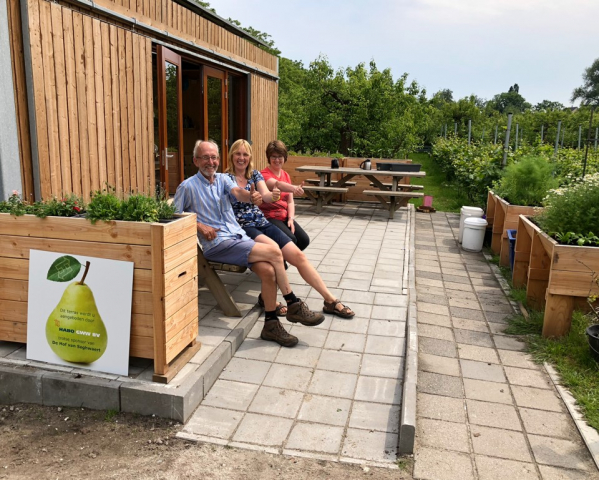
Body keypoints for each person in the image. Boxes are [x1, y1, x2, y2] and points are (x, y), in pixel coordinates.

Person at [174, 140, 325, 348]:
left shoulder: (222, 179)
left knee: (269, 272)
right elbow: (173, 215)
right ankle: (293, 303)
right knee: (274, 251)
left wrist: (252, 196)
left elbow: (238, 193)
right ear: (196, 160)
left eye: (214, 157)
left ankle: (271, 325)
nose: (211, 162)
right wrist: (199, 225)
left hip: (238, 237)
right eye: (206, 157)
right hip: (217, 243)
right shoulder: (187, 186)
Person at [225, 139, 355, 318]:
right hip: (244, 227)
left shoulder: (255, 175)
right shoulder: (224, 178)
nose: (241, 158)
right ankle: (289, 302)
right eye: (238, 154)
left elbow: (266, 195)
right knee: (275, 251)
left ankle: (330, 300)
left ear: (250, 157)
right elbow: (238, 193)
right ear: (231, 155)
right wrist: (251, 196)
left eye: (245, 154)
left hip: (262, 222)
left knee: (299, 256)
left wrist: (274, 195)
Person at [259, 140, 310, 251]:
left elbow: (290, 201)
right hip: (269, 217)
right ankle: (278, 259)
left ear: (284, 157)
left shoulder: (286, 175)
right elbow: (277, 184)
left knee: (304, 240)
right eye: (273, 157)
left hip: (284, 216)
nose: (277, 160)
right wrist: (294, 188)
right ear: (269, 158)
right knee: (291, 239)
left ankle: (282, 257)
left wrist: (291, 218)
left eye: (280, 156)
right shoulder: (263, 174)